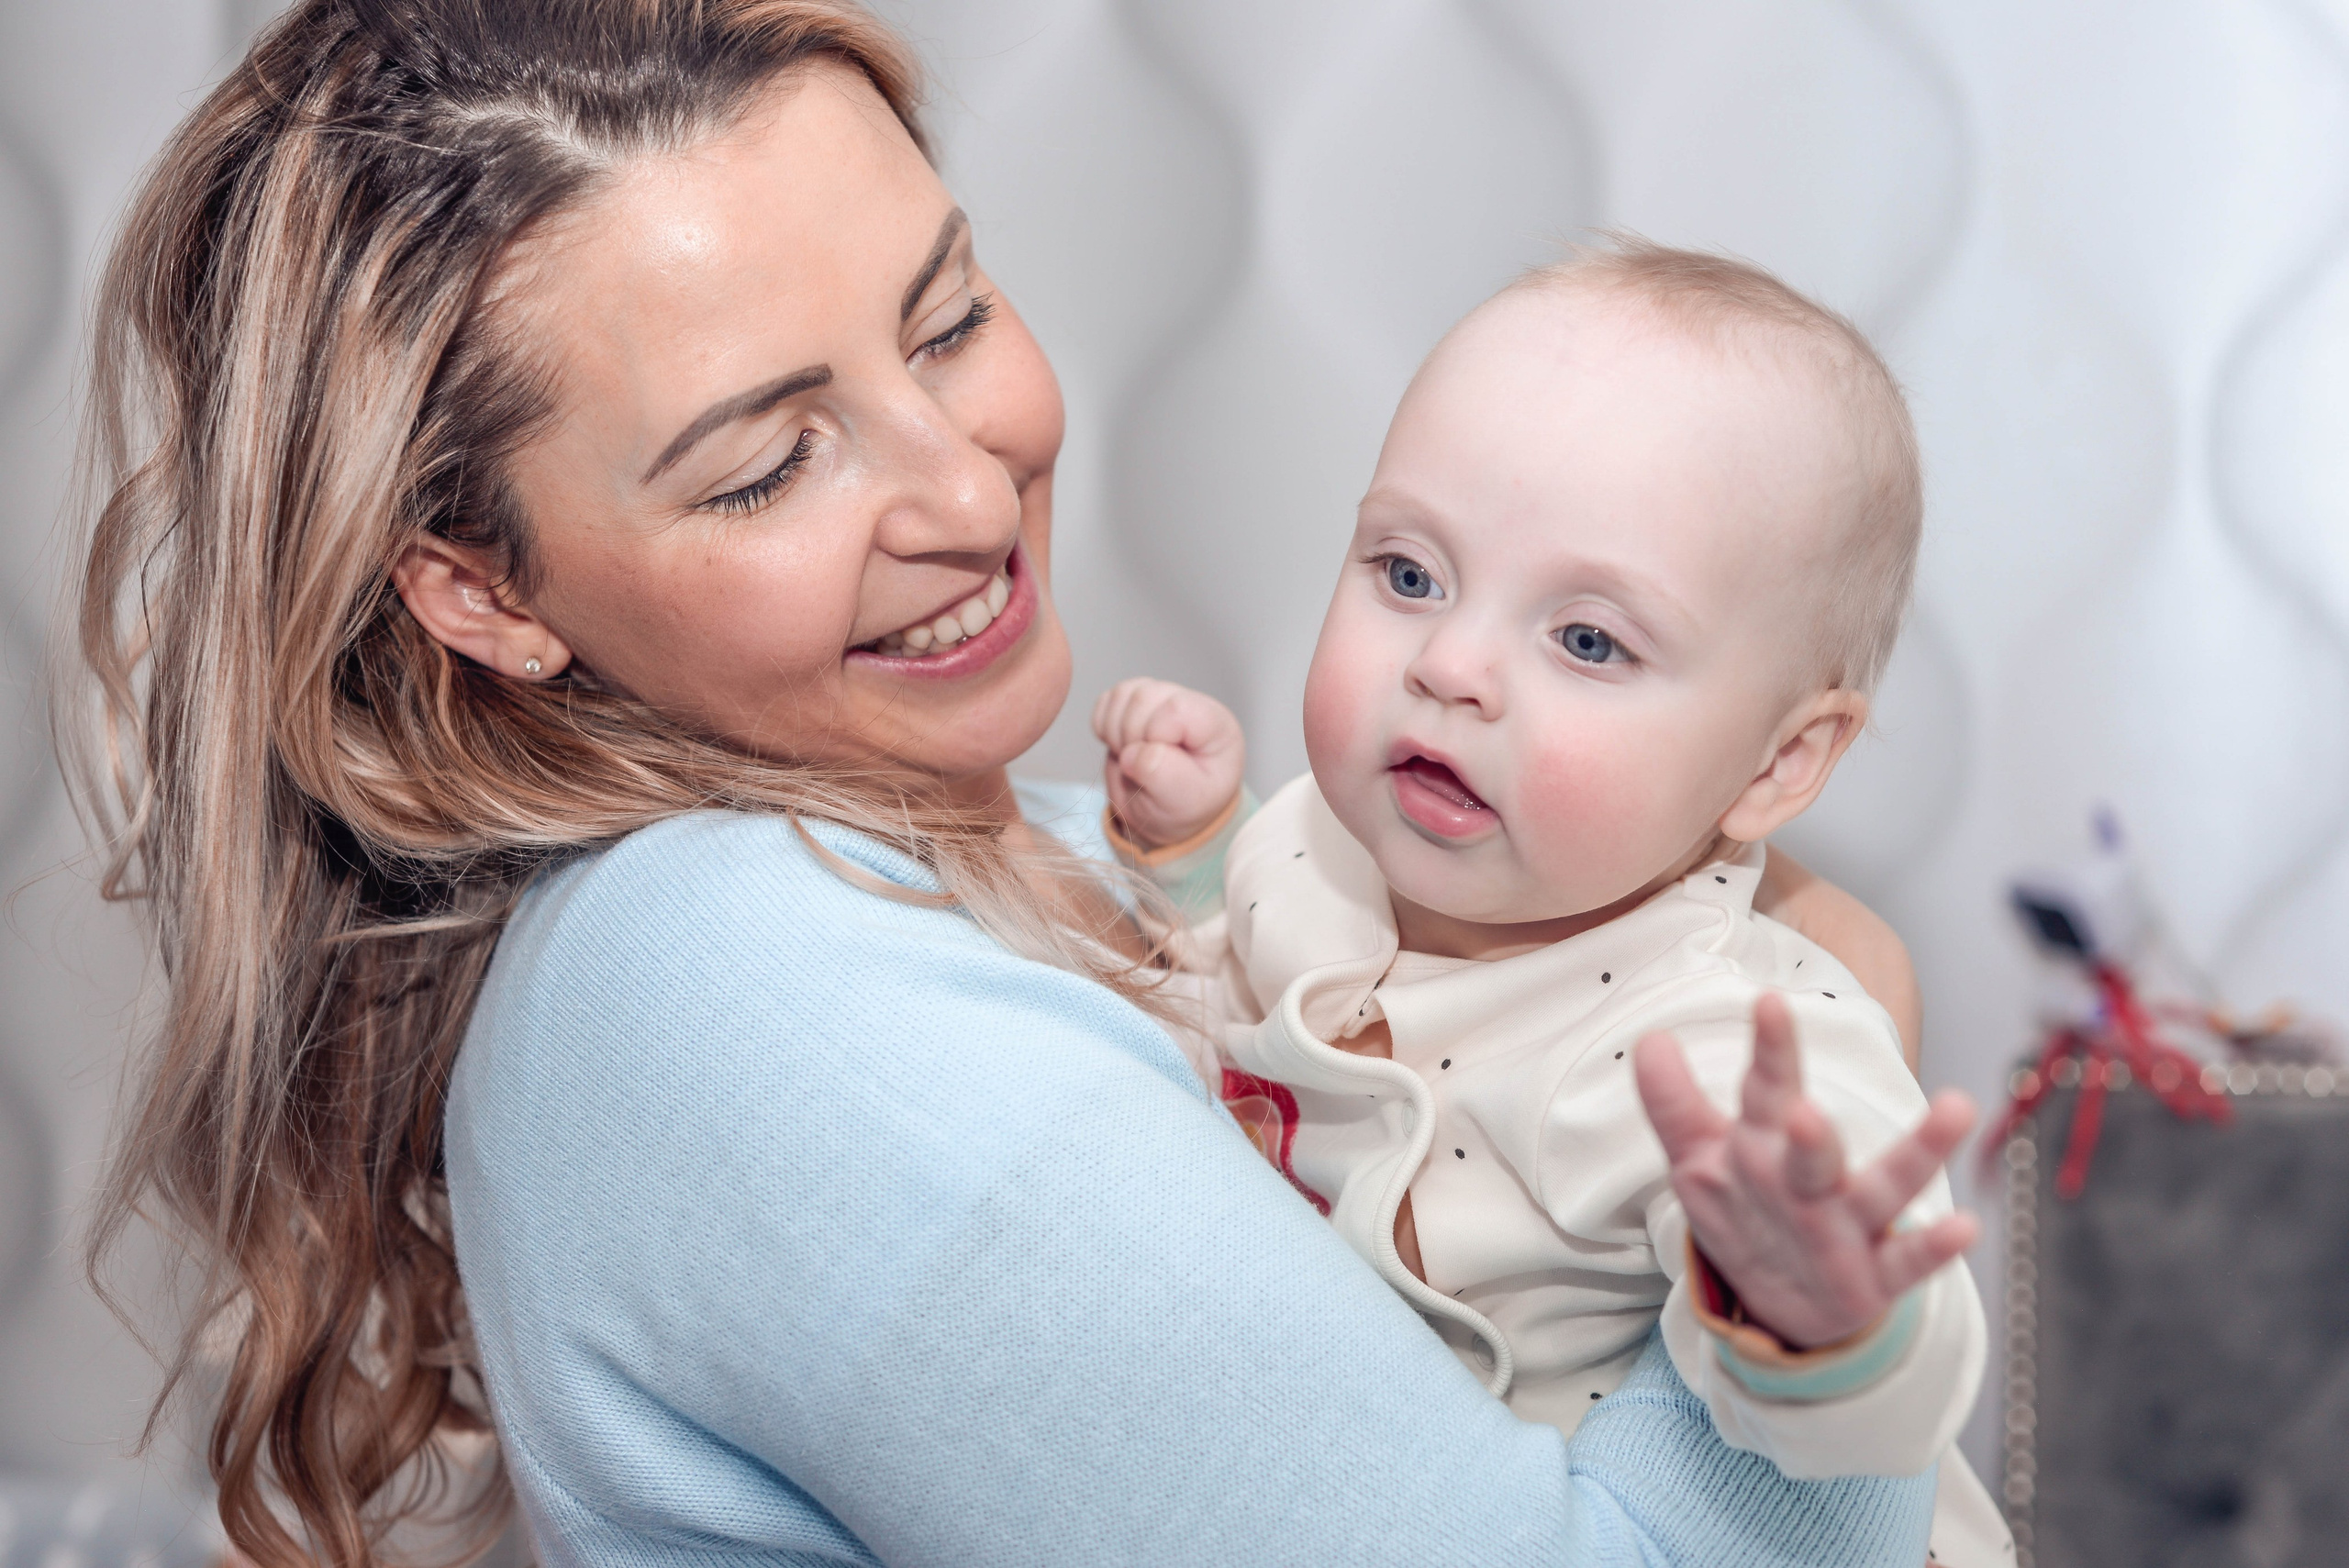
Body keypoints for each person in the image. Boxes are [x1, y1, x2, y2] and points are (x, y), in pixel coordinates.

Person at [67, 4, 1943, 1564]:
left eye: (947, 319)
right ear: (480, 591)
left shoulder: (953, 866)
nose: (970, 496)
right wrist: (1827, 1064)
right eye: (761, 467)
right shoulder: (759, 999)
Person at [1091, 246, 2009, 1564]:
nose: (1449, 666)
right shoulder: (1321, 834)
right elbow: (1253, 962)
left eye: (1588, 640)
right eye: (1409, 574)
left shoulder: (1732, 1042)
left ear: (1774, 765)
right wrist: (1188, 850)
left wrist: (1825, 1316)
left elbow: (1882, 1416)